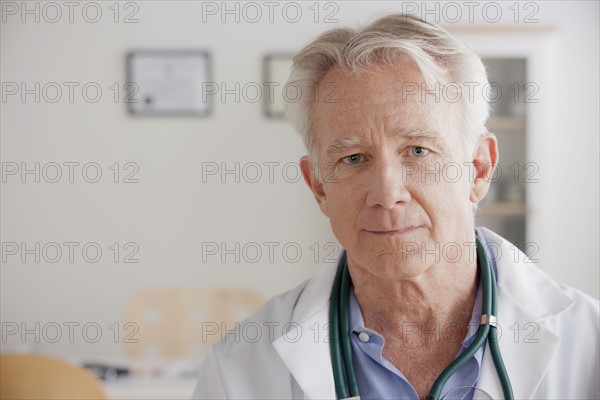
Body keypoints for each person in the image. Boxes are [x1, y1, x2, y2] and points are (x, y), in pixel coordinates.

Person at [192, 13, 599, 400]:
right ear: (318, 186)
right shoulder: (241, 367)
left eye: (418, 151)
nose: (387, 193)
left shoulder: (589, 345)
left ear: (478, 169)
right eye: (352, 159)